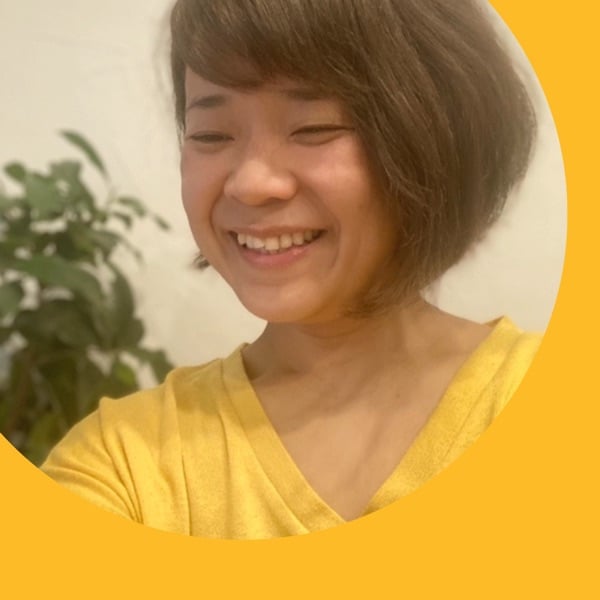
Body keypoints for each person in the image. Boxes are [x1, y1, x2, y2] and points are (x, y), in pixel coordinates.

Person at [41, 0, 541, 539]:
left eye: (313, 128)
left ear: (434, 140)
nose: (250, 184)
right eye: (211, 134)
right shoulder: (125, 462)